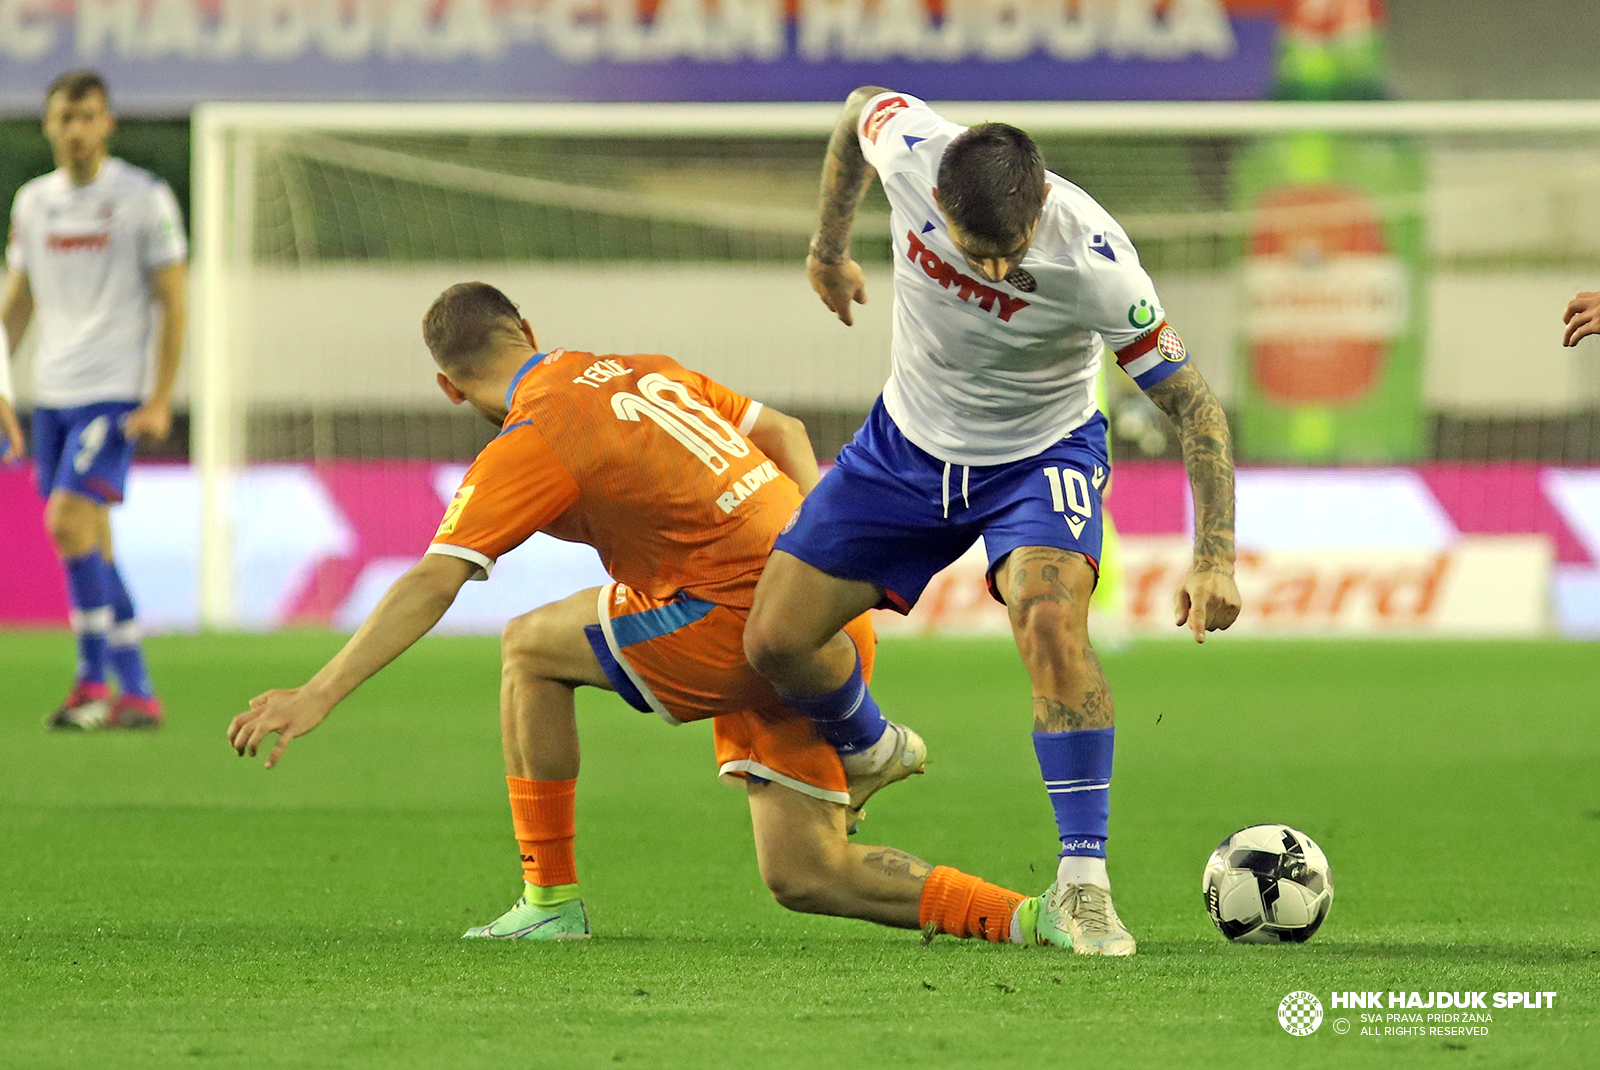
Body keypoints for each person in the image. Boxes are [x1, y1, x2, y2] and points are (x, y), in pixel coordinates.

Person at [227, 282, 1061, 946]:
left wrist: (317, 694)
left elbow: (435, 581)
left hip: (733, 619)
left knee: (528, 650)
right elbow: (785, 429)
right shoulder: (638, 368)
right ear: (526, 325)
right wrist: (830, 561)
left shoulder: (537, 433)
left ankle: (549, 899)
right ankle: (1029, 917)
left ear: (448, 387)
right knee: (806, 876)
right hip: (819, 609)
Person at [741, 89, 1243, 956]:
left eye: (1013, 257)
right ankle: (870, 746)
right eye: (981, 257)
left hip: (1039, 457)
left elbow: (1195, 410)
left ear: (1041, 201)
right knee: (774, 641)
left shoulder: (1099, 264)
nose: (1001, 275)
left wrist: (1215, 557)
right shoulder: (905, 148)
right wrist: (827, 248)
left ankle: (1085, 887)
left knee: (1049, 620)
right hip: (905, 448)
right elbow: (858, 106)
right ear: (935, 199)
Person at [2, 70, 187, 730]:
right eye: (64, 118)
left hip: (112, 394)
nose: (76, 129)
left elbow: (174, 299)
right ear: (48, 126)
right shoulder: (32, 203)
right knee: (92, 540)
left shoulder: (143, 197)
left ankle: (89, 680)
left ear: (106, 123)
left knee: (64, 522)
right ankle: (137, 691)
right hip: (50, 397)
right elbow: (16, 306)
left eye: (87, 117)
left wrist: (161, 396)